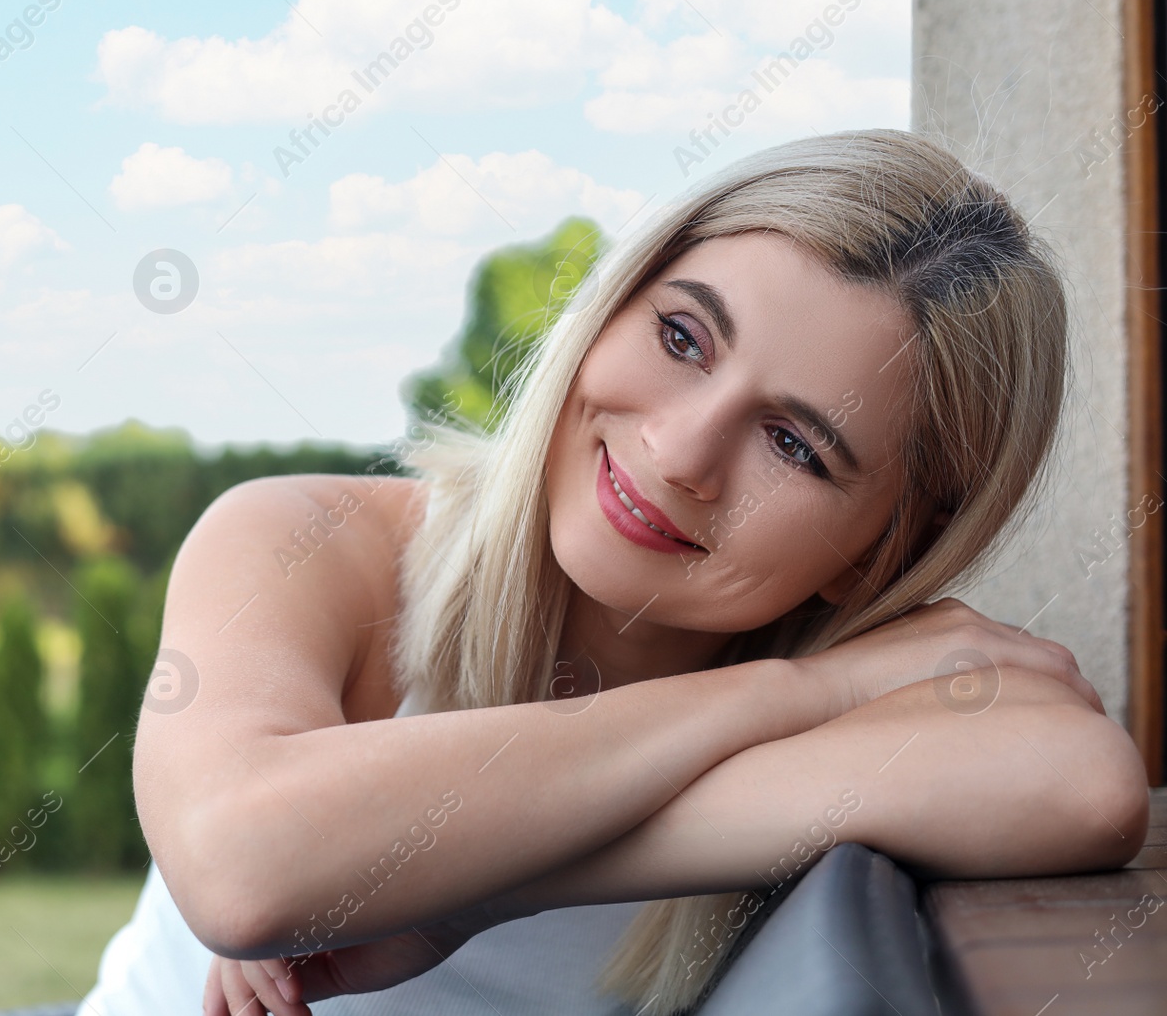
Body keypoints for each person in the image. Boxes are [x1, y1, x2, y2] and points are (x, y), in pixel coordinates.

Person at [78, 129, 1150, 1016]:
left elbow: (1083, 782)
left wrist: (461, 896)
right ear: (610, 304)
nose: (681, 452)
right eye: (682, 336)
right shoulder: (313, 540)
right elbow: (241, 861)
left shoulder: (868, 707)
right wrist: (792, 693)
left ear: (882, 548)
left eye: (794, 445)